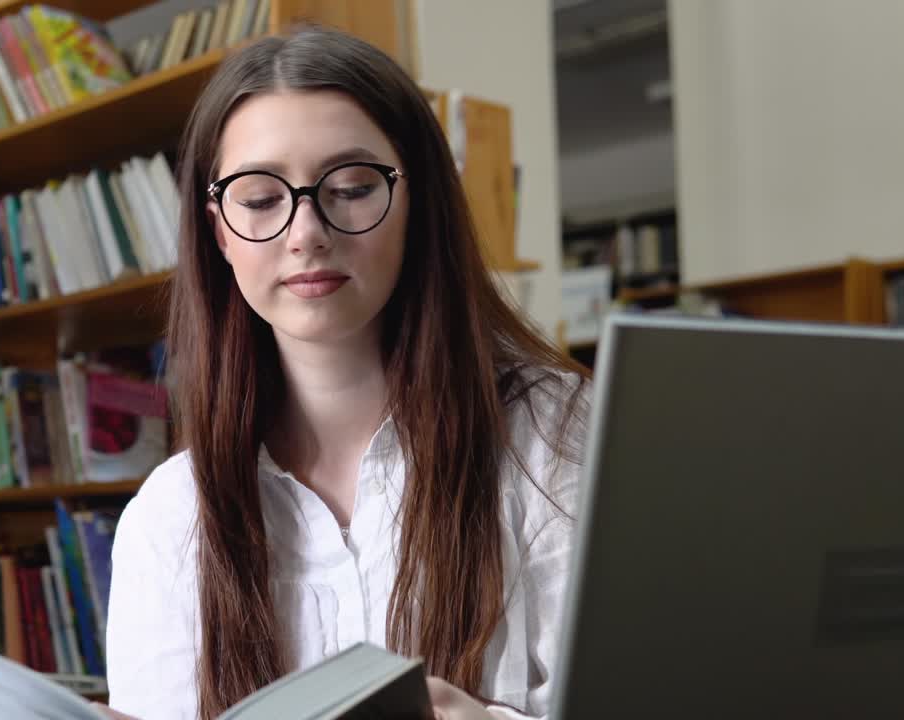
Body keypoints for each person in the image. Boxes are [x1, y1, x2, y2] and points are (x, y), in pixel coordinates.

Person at [103, 25, 588, 720]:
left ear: (416, 199)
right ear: (218, 231)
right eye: (262, 199)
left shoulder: (554, 433)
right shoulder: (169, 516)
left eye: (353, 187)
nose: (306, 232)